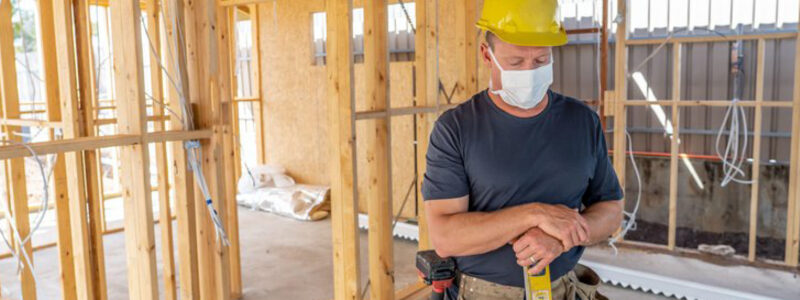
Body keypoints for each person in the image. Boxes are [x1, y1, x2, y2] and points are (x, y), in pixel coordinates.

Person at [421, 0, 623, 299]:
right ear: (486, 55)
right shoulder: (456, 129)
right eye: (516, 62)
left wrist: (560, 238)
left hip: (564, 289)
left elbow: (611, 211)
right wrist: (535, 215)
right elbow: (446, 237)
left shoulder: (582, 121)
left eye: (541, 61)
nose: (530, 71)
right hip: (484, 292)